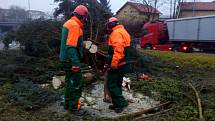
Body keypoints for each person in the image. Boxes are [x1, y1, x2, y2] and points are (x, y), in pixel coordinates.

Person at [59, 5, 88, 116]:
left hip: (65, 58)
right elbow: (71, 47)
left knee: (69, 81)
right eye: (85, 17)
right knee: (76, 83)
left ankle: (67, 103)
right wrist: (75, 63)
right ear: (83, 16)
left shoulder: (69, 23)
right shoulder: (75, 26)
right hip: (70, 60)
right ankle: (74, 107)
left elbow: (72, 42)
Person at [106, 17, 131, 113]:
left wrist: (114, 63)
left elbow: (119, 50)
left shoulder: (116, 33)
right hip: (124, 63)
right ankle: (117, 104)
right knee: (117, 83)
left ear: (111, 24)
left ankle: (121, 103)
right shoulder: (123, 31)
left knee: (111, 84)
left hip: (118, 63)